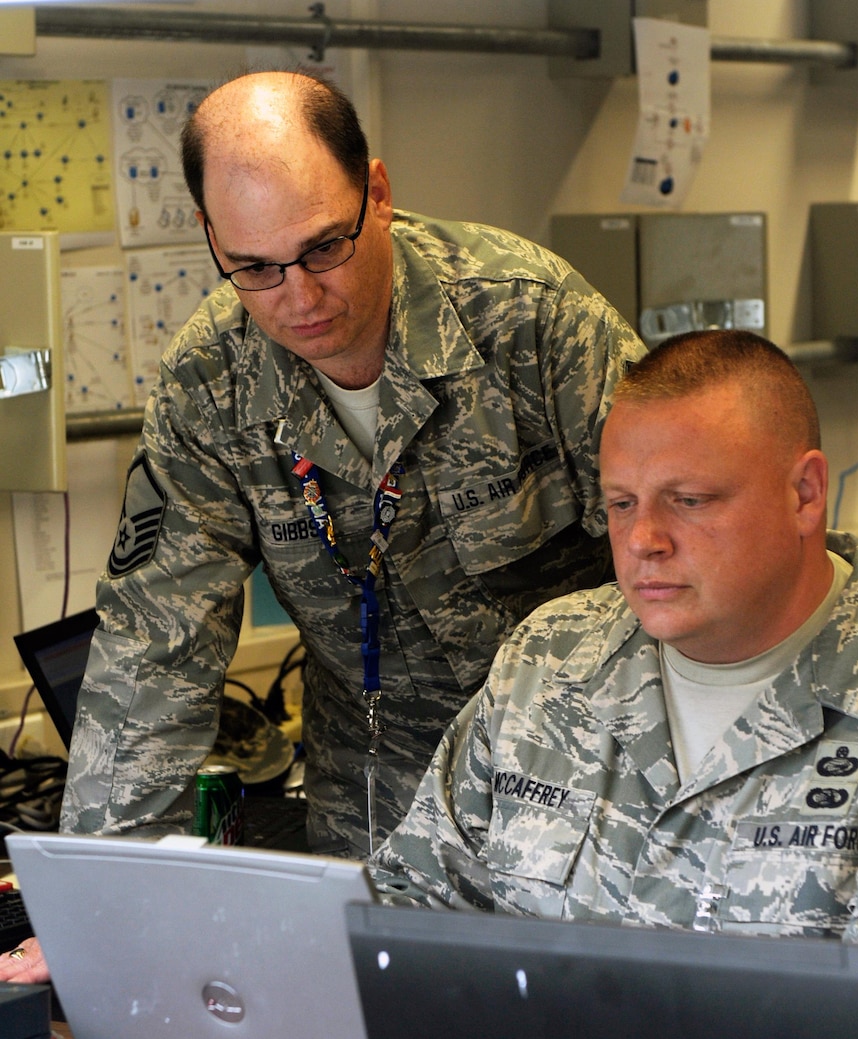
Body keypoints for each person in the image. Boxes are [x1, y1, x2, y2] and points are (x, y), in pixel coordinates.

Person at [54, 68, 642, 865]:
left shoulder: (531, 320)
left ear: (379, 192)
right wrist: (103, 890)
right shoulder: (210, 383)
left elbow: (675, 549)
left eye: (324, 246)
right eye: (255, 266)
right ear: (210, 235)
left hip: (574, 771)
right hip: (376, 790)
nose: (300, 296)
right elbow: (154, 646)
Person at [370, 328, 858, 950]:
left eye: (689, 500)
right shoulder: (550, 660)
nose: (643, 539)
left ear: (805, 495)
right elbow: (407, 905)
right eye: (621, 504)